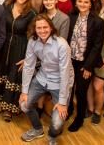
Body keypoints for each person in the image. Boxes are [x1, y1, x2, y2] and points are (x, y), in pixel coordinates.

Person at [19, 14, 74, 144]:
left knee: (57, 123)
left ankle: (52, 136)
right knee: (24, 105)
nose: (42, 30)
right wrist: (24, 91)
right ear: (35, 29)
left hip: (61, 82)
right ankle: (37, 129)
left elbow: (65, 74)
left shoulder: (62, 45)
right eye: (39, 28)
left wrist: (62, 102)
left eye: (45, 27)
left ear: (51, 28)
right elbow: (28, 66)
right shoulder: (33, 41)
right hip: (42, 78)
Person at [0, 0, 36, 122]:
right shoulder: (6, 5)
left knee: (13, 77)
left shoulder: (32, 13)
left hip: (20, 48)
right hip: (3, 45)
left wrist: (28, 57)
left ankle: (8, 108)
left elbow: (34, 37)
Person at [67, 0, 104, 132]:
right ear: (76, 3)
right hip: (70, 60)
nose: (82, 4)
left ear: (90, 4)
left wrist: (88, 67)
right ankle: (69, 110)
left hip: (85, 63)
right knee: (68, 88)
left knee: (81, 92)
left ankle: (79, 119)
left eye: (86, 2)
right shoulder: (71, 17)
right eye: (80, 1)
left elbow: (97, 46)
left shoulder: (98, 21)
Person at [87, 0, 104, 124]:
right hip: (90, 51)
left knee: (98, 86)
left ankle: (98, 111)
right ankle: (90, 108)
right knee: (87, 83)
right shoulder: (94, 7)